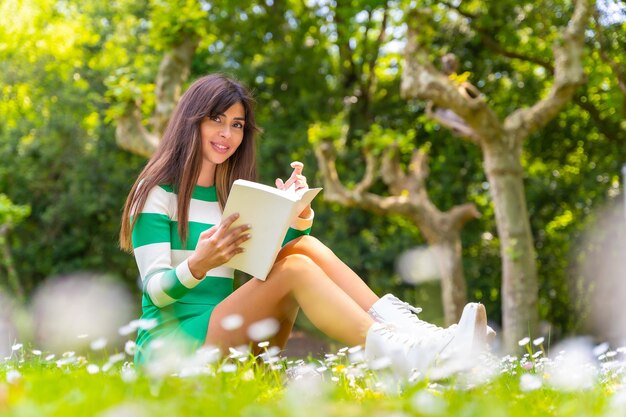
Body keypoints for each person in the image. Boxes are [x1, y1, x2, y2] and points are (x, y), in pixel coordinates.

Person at [119, 73, 490, 378]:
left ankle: (415, 338)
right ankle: (405, 357)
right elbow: (155, 291)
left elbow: (266, 262)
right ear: (192, 119)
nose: (227, 134)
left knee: (302, 250)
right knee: (295, 267)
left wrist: (295, 216)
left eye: (237, 125)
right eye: (216, 119)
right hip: (172, 349)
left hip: (229, 333)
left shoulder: (228, 197)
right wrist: (199, 264)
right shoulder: (154, 193)